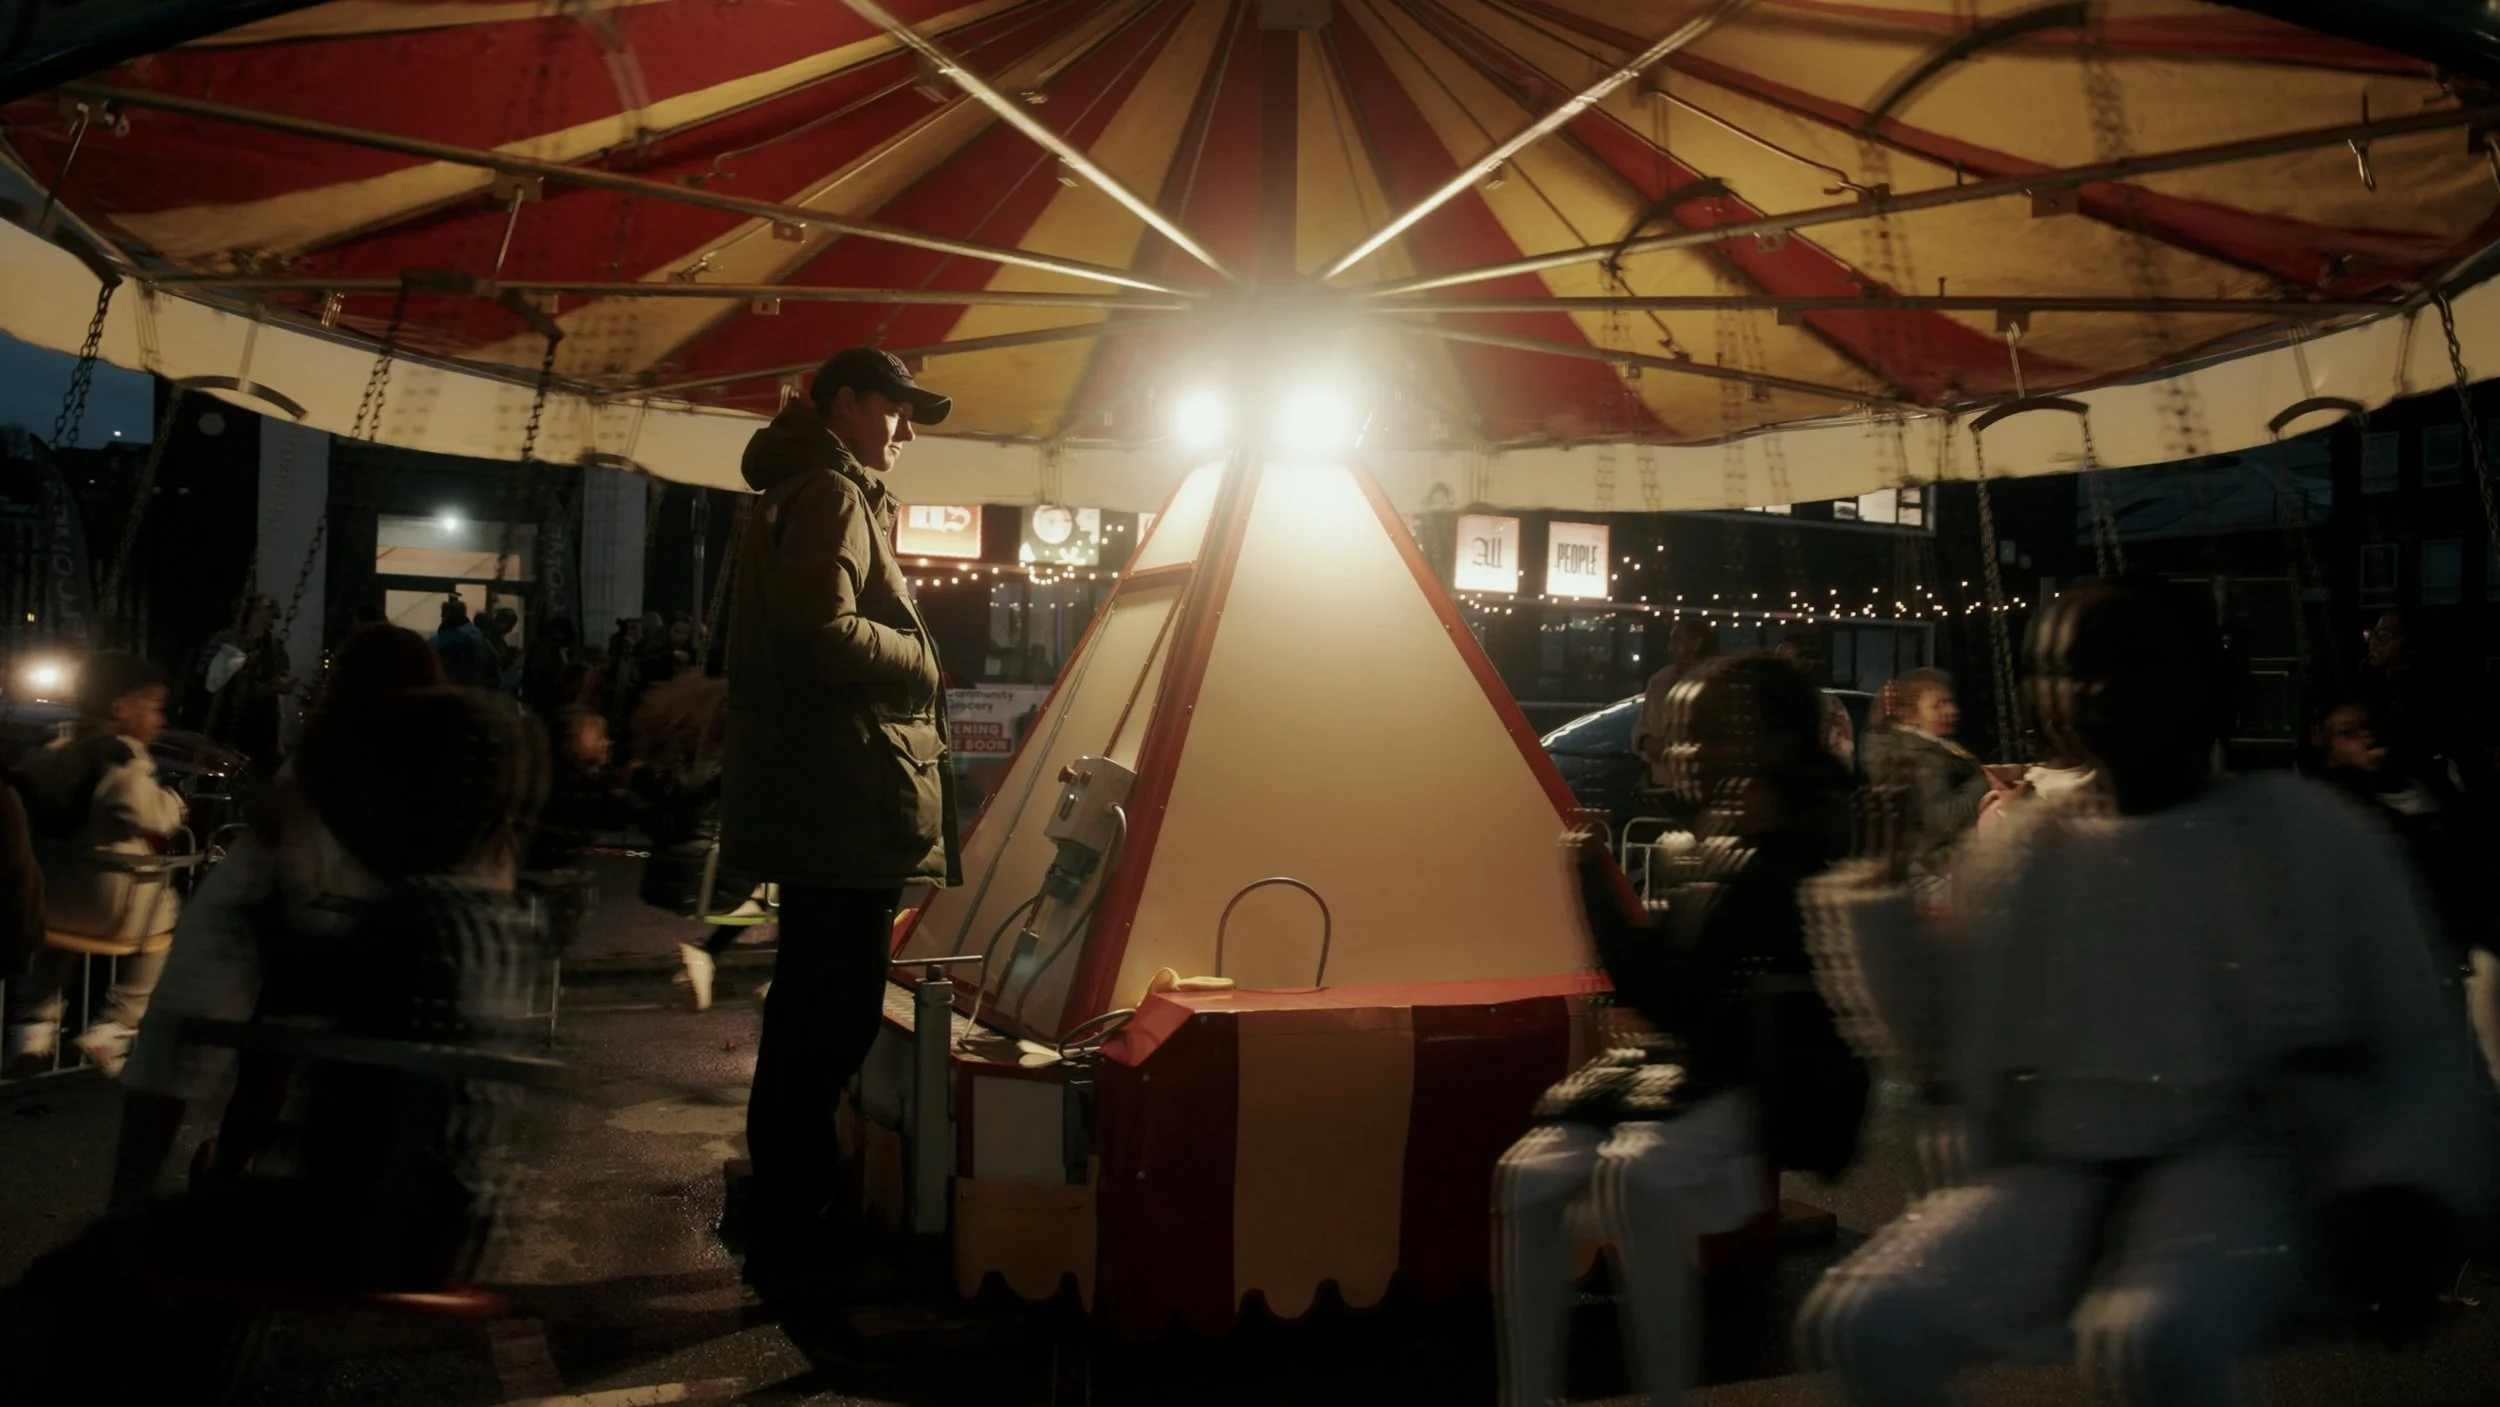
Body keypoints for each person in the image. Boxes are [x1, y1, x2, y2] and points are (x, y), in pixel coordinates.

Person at [1795, 575, 2488, 1406]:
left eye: (2127, 665)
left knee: (2159, 1333)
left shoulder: (2300, 831)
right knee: (1867, 1318)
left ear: (2199, 679)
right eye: (2066, 671)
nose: (2094, 691)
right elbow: (1941, 1038)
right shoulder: (2031, 844)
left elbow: (2420, 1036)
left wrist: (2404, 1187)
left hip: (2239, 1158)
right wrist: (1877, 903)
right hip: (2059, 1167)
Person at [1496, 654, 1869, 1407]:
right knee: (1528, 1176)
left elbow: (1799, 964)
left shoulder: (1814, 836)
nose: (1688, 757)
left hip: (1774, 1072)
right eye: (1684, 739)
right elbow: (1659, 988)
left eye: (1708, 738)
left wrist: (1759, 854)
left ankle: (1668, 1391)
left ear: (1768, 743)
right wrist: (1592, 877)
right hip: (1703, 1056)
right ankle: (1527, 1392)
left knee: (1640, 1174)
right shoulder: (1711, 844)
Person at [720, 345, 961, 1297]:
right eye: (895, 411)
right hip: (844, 796)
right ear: (848, 403)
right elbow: (813, 629)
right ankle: (799, 1221)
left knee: (805, 1010)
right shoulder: (829, 492)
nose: (905, 432)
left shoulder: (798, 487)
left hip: (822, 791)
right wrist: (918, 657)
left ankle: (786, 1206)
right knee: (834, 1013)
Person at [4, 653, 187, 1078]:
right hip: (116, 908)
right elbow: (146, 814)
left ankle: (34, 1026)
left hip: (55, 897)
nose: (159, 719)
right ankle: (117, 1025)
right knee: (163, 925)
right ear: (121, 709)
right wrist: (173, 804)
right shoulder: (123, 757)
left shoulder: (56, 746)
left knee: (56, 946)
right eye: (154, 707)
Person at [1857, 668, 2000, 884]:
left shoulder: (1930, 746)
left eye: (1950, 702)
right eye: (1938, 705)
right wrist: (1987, 779)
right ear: (1911, 716)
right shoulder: (1920, 757)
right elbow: (1944, 818)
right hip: (1935, 868)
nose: (1951, 710)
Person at [191, 593, 297, 776]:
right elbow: (209, 679)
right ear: (253, 612)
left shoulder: (273, 647)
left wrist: (277, 686)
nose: (273, 615)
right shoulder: (226, 639)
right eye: (267, 609)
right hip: (226, 725)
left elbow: (278, 678)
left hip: (261, 730)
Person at [1632, 619, 1718, 795]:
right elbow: (1640, 727)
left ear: (1697, 642)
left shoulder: (1716, 682)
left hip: (1699, 786)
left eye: (1677, 639)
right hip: (1659, 783)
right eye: (1670, 640)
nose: (1670, 647)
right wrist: (1646, 742)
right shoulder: (1658, 681)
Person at [431, 596, 496, 689]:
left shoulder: (439, 640)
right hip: (475, 691)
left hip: (446, 689)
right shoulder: (480, 639)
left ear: (446, 616)